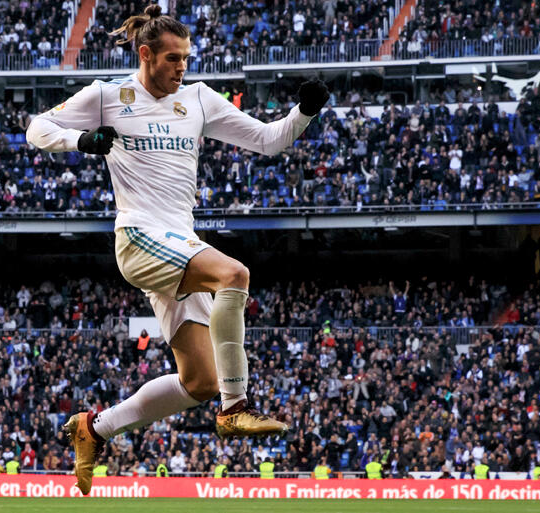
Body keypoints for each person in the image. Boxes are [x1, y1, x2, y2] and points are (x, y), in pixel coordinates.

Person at [27, 4, 329, 496]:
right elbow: (36, 128)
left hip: (179, 244)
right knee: (234, 275)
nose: (182, 67)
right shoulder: (107, 95)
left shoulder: (199, 98)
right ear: (145, 54)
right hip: (139, 236)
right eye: (172, 58)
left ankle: (95, 428)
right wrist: (81, 140)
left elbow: (268, 141)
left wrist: (305, 112)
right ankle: (235, 409)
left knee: (201, 381)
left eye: (186, 57)